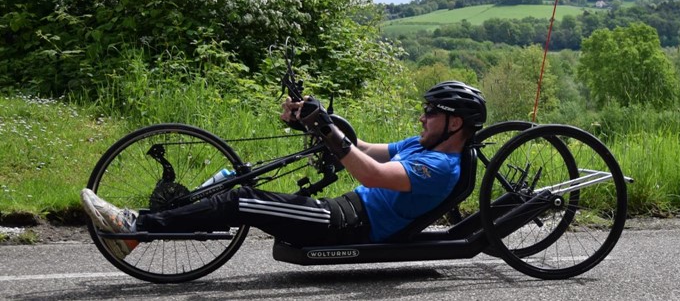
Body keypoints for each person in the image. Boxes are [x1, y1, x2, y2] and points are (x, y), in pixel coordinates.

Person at [81, 81, 487, 259]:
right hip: (339, 208)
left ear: (455, 123)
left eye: (432, 113)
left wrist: (329, 131)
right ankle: (150, 222)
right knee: (238, 179)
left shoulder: (442, 166)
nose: (422, 117)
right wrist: (313, 120)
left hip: (343, 225)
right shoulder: (421, 144)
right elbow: (362, 148)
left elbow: (371, 175)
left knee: (242, 201)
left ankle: (136, 228)